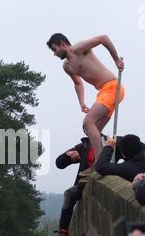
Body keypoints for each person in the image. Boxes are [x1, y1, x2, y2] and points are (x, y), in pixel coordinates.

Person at [47, 33, 125, 163]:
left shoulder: (79, 49)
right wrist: (82, 102)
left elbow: (103, 38)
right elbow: (78, 83)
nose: (54, 54)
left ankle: (100, 163)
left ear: (62, 44)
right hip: (103, 92)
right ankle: (102, 158)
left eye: (55, 49)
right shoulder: (67, 66)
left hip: (112, 87)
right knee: (91, 130)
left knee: (88, 123)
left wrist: (116, 59)